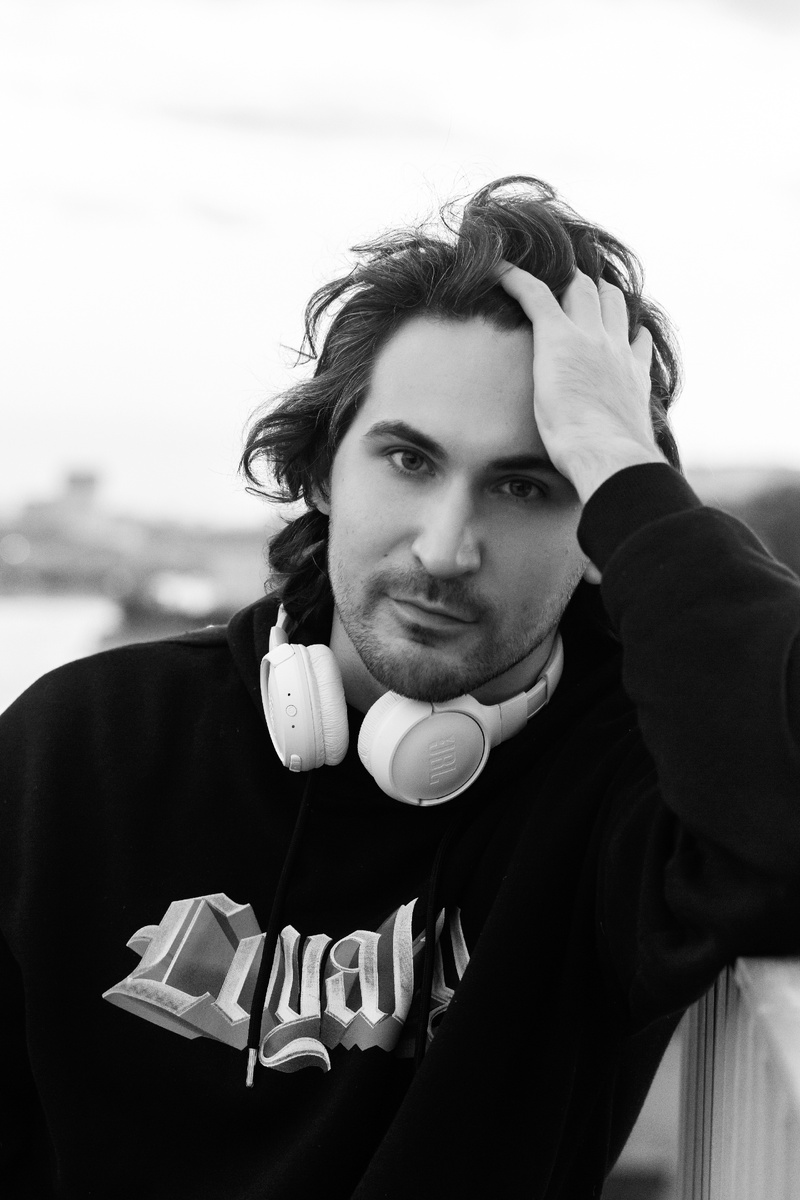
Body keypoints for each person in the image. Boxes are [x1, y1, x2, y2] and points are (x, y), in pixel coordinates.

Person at [1, 175, 799, 1200]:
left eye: (527, 485)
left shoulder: (625, 795)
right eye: (410, 461)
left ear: (596, 528)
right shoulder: (81, 748)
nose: (444, 548)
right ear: (323, 470)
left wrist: (617, 457)